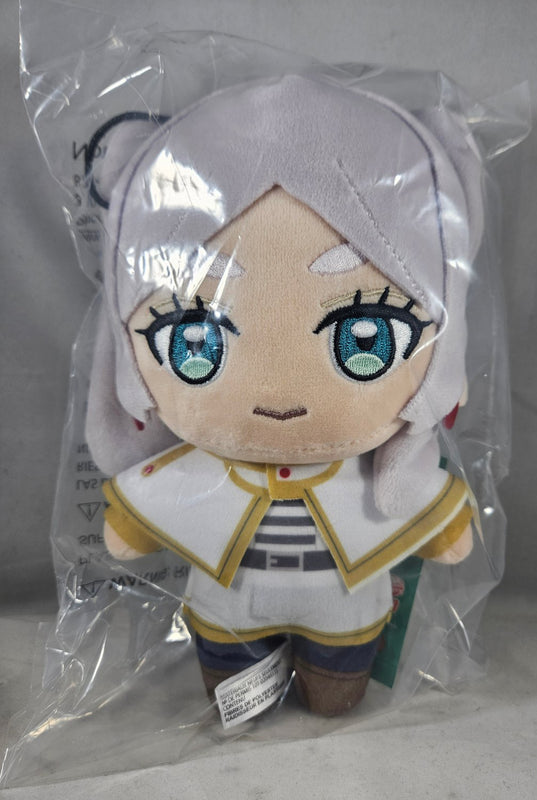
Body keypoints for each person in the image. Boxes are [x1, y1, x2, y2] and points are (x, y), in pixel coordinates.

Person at [86, 74, 483, 715]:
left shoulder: (378, 479)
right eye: (194, 339)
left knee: (335, 691)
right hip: (227, 613)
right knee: (231, 677)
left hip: (346, 615)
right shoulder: (198, 469)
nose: (276, 393)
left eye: (367, 334)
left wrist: (445, 525)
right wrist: (130, 520)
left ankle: (328, 687)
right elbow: (146, 504)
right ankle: (243, 689)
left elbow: (433, 514)